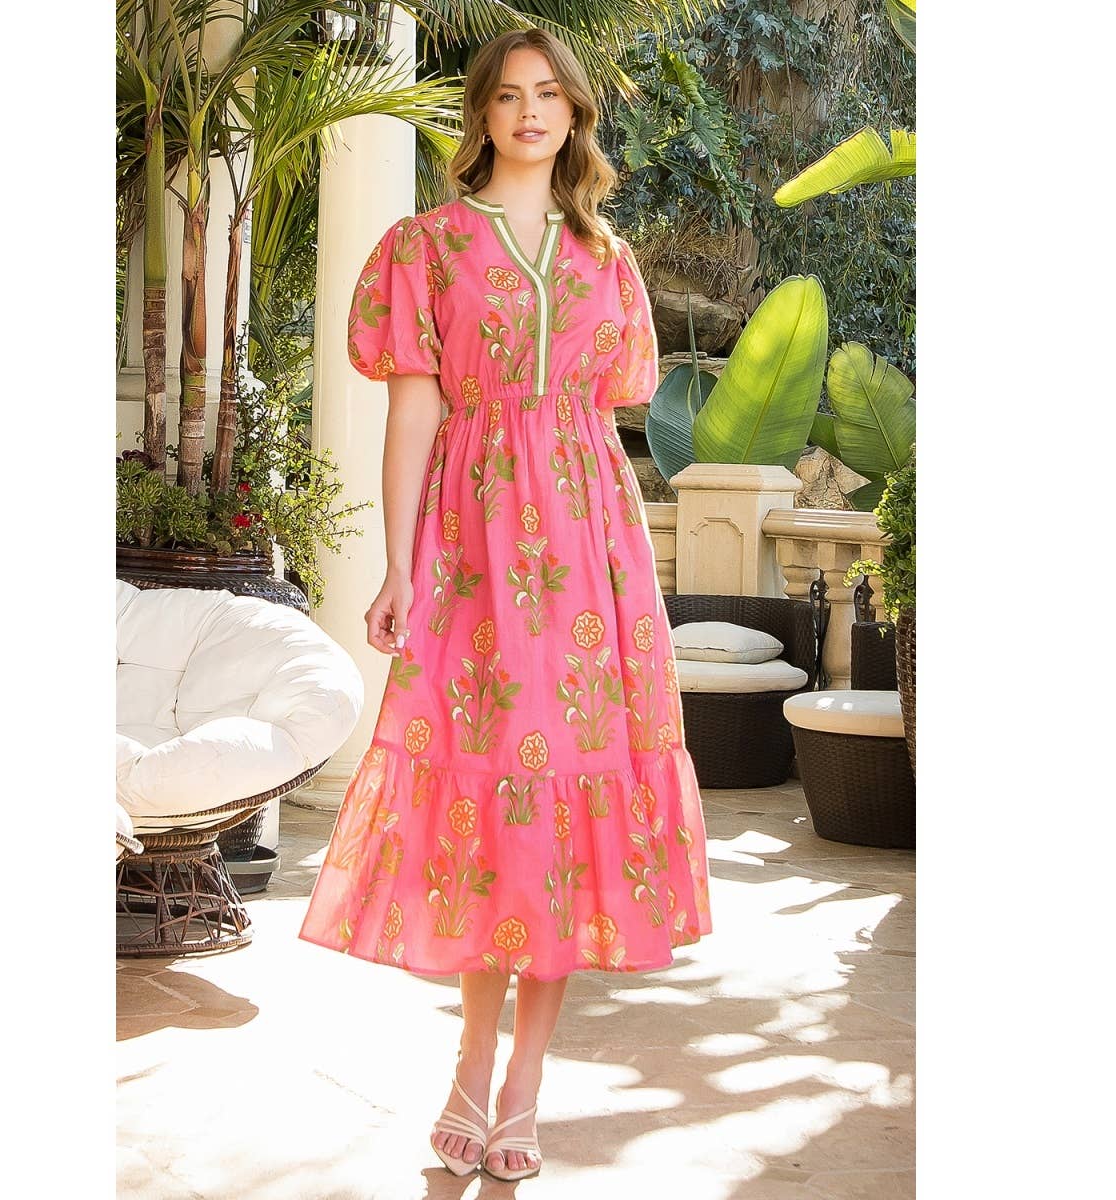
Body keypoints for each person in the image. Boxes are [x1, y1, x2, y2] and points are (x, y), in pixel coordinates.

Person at [299, 27, 712, 1182]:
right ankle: (470, 1063)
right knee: (492, 804)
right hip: (474, 547)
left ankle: (522, 1081)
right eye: (509, 95)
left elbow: (608, 411)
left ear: (574, 114)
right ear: (481, 114)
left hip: (590, 552)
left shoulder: (606, 257)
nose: (530, 112)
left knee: (565, 803)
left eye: (550, 95)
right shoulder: (425, 248)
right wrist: (400, 565)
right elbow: (414, 414)